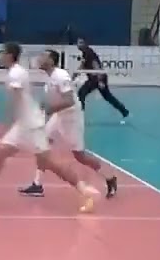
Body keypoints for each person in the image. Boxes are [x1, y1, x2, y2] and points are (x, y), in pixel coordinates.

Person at [0, 42, 99, 213]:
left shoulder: (16, 73)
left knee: (51, 164)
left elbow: (14, 101)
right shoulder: (15, 72)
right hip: (23, 125)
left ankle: (86, 192)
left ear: (10, 55)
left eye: (2, 53)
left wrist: (5, 124)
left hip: (31, 126)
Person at [20, 50, 119, 199]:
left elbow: (69, 101)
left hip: (71, 119)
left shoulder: (61, 76)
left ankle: (110, 178)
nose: (39, 58)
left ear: (52, 61)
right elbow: (52, 100)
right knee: (41, 144)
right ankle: (37, 185)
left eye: (43, 56)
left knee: (80, 156)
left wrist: (48, 109)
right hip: (59, 116)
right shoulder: (50, 78)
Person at [75, 38, 129, 122]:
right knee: (108, 97)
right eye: (78, 43)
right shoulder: (85, 53)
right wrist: (75, 74)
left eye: (81, 43)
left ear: (85, 44)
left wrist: (100, 81)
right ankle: (124, 111)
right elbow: (82, 65)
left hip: (97, 78)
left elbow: (96, 66)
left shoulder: (89, 52)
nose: (78, 44)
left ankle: (80, 116)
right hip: (95, 78)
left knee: (81, 93)